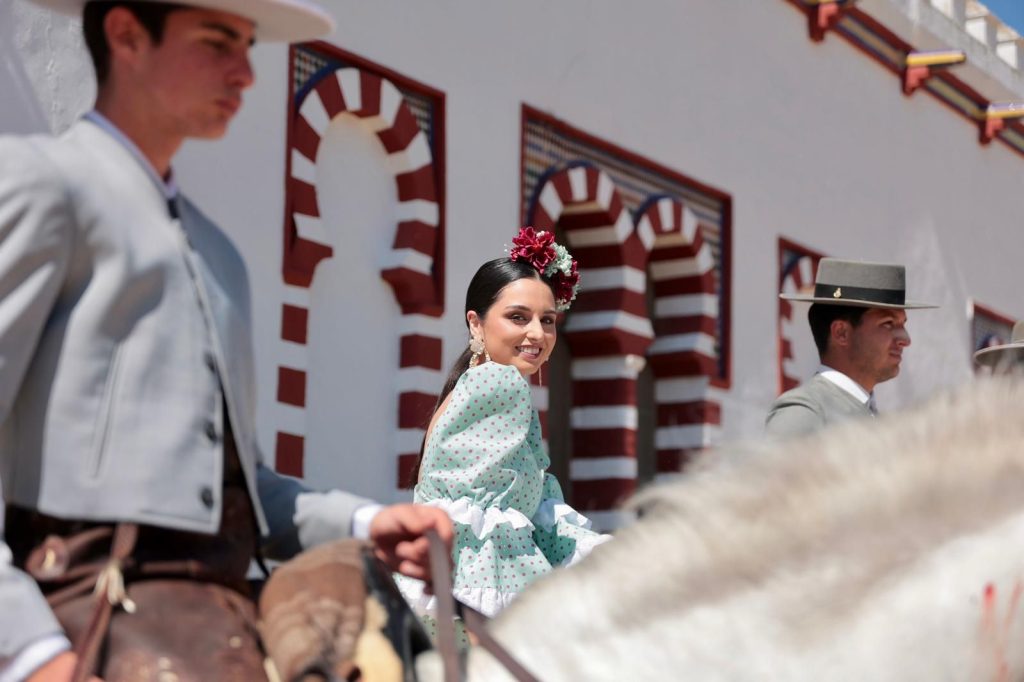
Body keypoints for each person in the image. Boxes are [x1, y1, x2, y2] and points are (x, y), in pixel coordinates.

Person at [0, 1, 452, 680]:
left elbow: (234, 491)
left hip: (221, 624)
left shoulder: (218, 255)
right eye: (217, 43)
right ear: (126, 34)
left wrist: (365, 524)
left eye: (247, 48)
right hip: (91, 620)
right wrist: (35, 654)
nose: (244, 74)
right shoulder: (45, 186)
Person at [396, 227, 610, 638]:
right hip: (478, 609)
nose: (537, 334)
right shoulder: (501, 385)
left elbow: (521, 510)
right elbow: (489, 531)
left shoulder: (469, 385)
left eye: (547, 320)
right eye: (518, 317)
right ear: (476, 324)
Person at [765, 258, 936, 438]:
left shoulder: (875, 418)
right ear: (841, 333)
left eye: (902, 324)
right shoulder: (806, 414)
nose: (905, 339)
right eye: (888, 323)